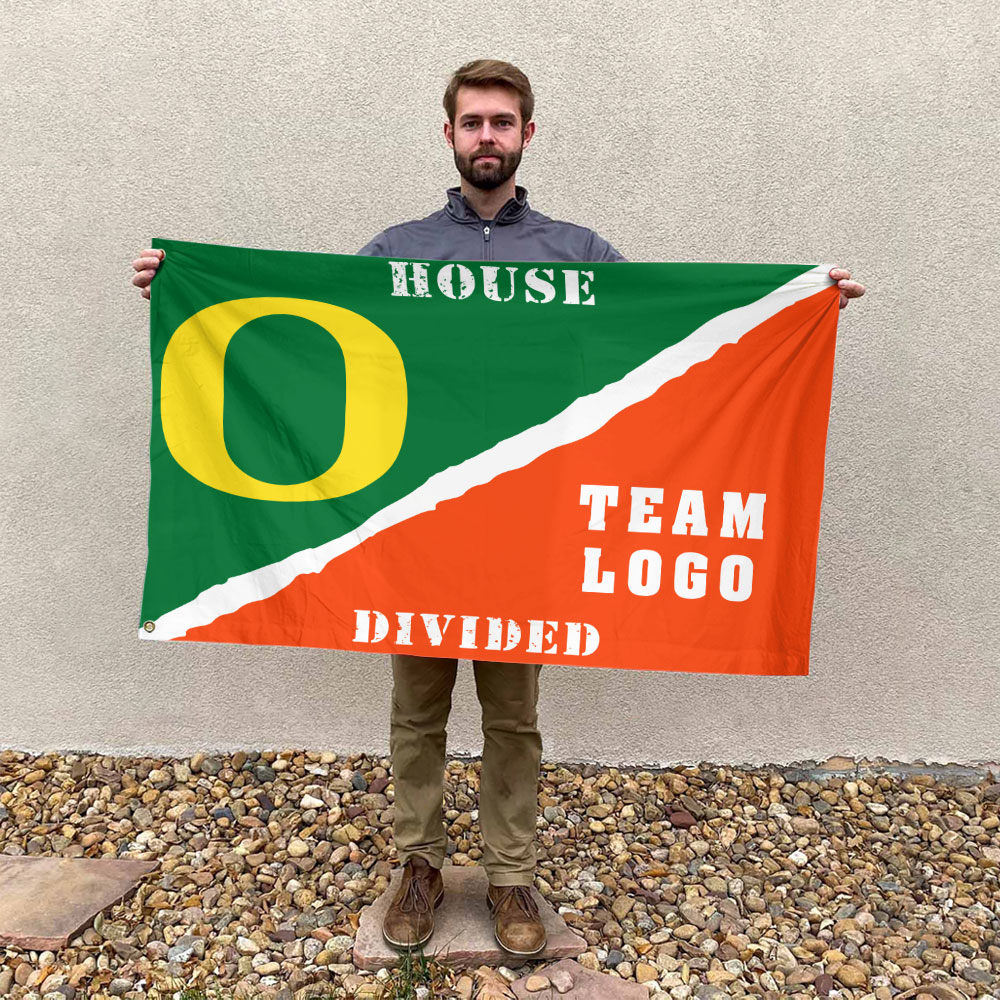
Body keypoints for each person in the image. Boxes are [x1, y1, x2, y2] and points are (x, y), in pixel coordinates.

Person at [130, 59, 866, 960]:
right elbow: (306, 344)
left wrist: (796, 306)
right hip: (413, 530)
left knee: (513, 714)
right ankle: (419, 865)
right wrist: (186, 292)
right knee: (418, 710)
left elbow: (672, 338)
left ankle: (512, 872)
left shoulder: (579, 254)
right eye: (473, 121)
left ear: (527, 135)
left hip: (529, 528)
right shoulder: (397, 251)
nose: (488, 136)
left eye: (503, 122)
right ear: (449, 134)